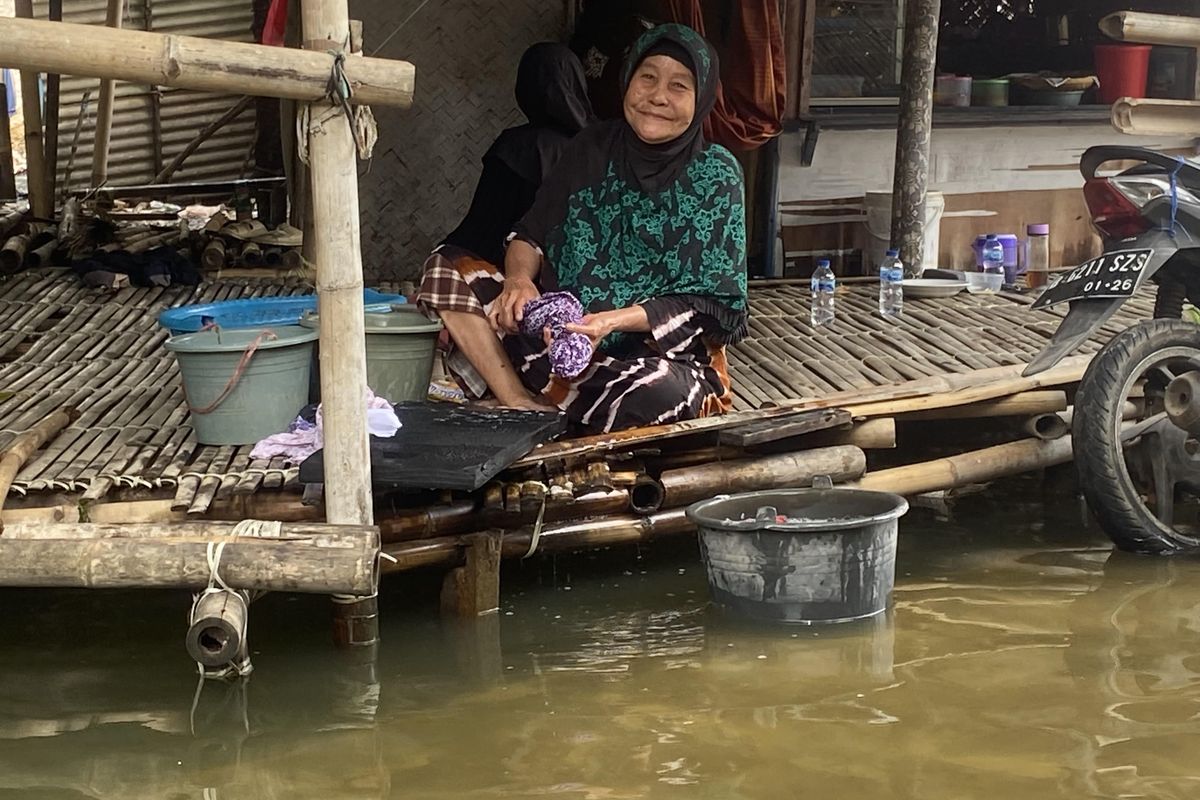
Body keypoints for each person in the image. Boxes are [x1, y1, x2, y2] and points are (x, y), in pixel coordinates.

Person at [421, 24, 748, 433]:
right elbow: (530, 234)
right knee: (446, 266)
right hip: (558, 338)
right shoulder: (592, 147)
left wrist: (608, 322)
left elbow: (710, 303)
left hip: (655, 356)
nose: (658, 96)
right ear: (628, 80)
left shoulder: (715, 176)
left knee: (661, 393)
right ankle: (519, 401)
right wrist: (520, 280)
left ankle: (564, 403)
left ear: (701, 100)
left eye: (679, 85)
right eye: (647, 77)